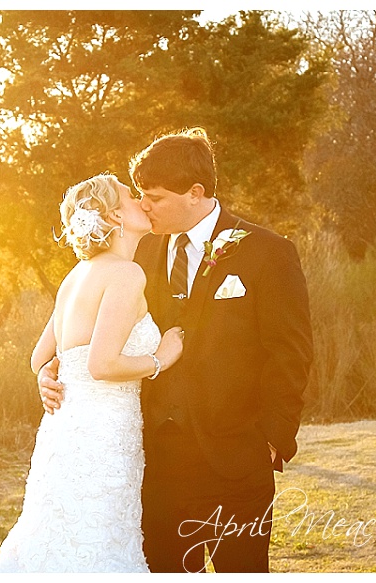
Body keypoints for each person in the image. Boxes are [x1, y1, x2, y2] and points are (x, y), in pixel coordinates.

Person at [39, 128, 313, 573]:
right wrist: (52, 372)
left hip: (237, 460)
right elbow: (82, 335)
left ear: (196, 192)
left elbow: (291, 352)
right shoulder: (134, 257)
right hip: (155, 466)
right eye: (141, 196)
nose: (144, 206)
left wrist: (273, 439)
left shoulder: (268, 253)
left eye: (156, 197)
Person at [0, 173, 184, 572]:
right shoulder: (126, 274)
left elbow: (40, 356)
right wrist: (162, 358)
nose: (142, 200)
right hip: (103, 438)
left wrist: (45, 376)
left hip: (65, 434)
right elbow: (101, 364)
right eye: (132, 196)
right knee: (95, 544)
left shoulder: (75, 276)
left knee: (60, 539)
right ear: (113, 215)